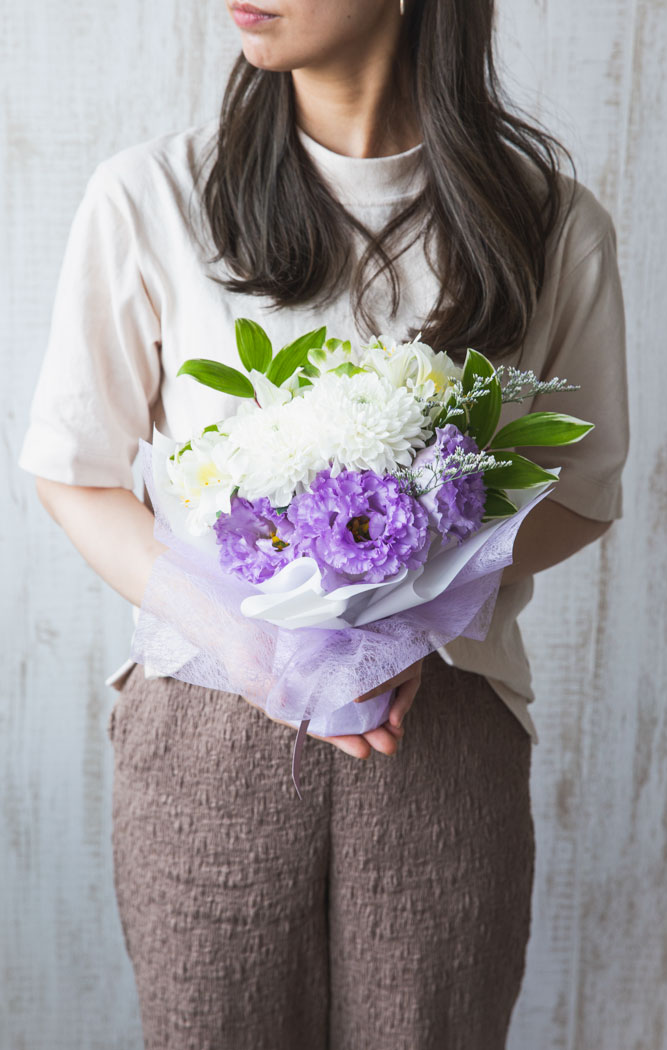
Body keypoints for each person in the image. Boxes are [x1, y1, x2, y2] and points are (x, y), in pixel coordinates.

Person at [18, 1, 630, 1047]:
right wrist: (255, 650)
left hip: (441, 725)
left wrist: (405, 615)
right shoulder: (154, 196)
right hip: (205, 724)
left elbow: (582, 487)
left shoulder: (551, 222)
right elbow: (72, 471)